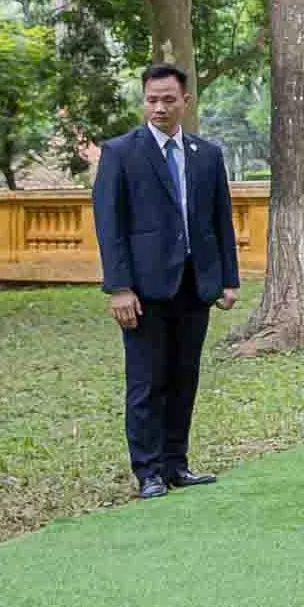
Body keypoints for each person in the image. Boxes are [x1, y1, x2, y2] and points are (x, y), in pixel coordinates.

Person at [91, 65, 241, 500]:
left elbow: (220, 221)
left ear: (185, 101)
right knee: (146, 382)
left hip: (196, 286)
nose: (159, 107)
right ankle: (149, 472)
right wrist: (119, 287)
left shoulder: (206, 154)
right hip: (143, 290)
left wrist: (227, 279)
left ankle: (177, 464)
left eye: (168, 99)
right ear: (144, 101)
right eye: (152, 99)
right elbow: (109, 224)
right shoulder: (120, 152)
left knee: (183, 377)